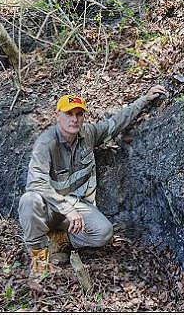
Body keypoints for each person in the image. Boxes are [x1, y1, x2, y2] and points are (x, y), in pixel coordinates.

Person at [18, 85, 167, 276]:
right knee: (29, 200)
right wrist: (67, 209)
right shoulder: (46, 143)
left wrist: (144, 99)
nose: (74, 119)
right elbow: (35, 183)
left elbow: (116, 122)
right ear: (58, 115)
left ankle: (61, 240)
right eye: (69, 113)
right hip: (52, 205)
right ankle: (39, 260)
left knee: (104, 233)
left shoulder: (88, 134)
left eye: (79, 114)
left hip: (80, 207)